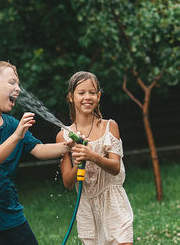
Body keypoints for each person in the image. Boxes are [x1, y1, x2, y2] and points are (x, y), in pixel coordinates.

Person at [0, 61, 73, 245]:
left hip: (9, 212)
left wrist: (69, 146)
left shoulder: (12, 124)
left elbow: (39, 149)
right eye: (12, 82)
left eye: (18, 84)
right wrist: (17, 135)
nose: (18, 89)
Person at [57, 71, 133, 245]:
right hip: (87, 208)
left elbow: (115, 167)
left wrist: (93, 156)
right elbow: (68, 183)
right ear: (71, 97)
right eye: (81, 93)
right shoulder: (63, 136)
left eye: (92, 92)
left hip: (113, 203)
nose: (87, 97)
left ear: (98, 96)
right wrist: (79, 163)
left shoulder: (109, 126)